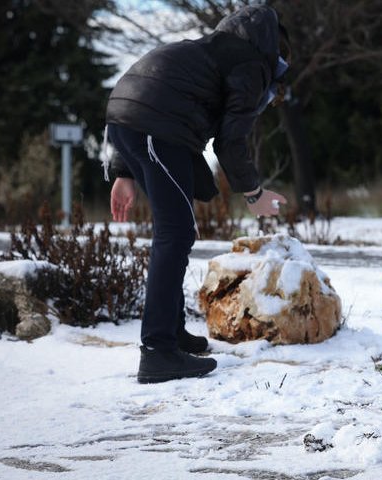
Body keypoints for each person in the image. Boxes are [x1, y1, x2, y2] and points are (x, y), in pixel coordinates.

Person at [102, 5, 289, 384]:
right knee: (175, 233)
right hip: (156, 129)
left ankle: (170, 334)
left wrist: (125, 170)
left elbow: (146, 93)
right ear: (270, 45)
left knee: (176, 230)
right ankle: (157, 352)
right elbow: (231, 140)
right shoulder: (252, 65)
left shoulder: (205, 50)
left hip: (129, 122)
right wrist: (254, 193)